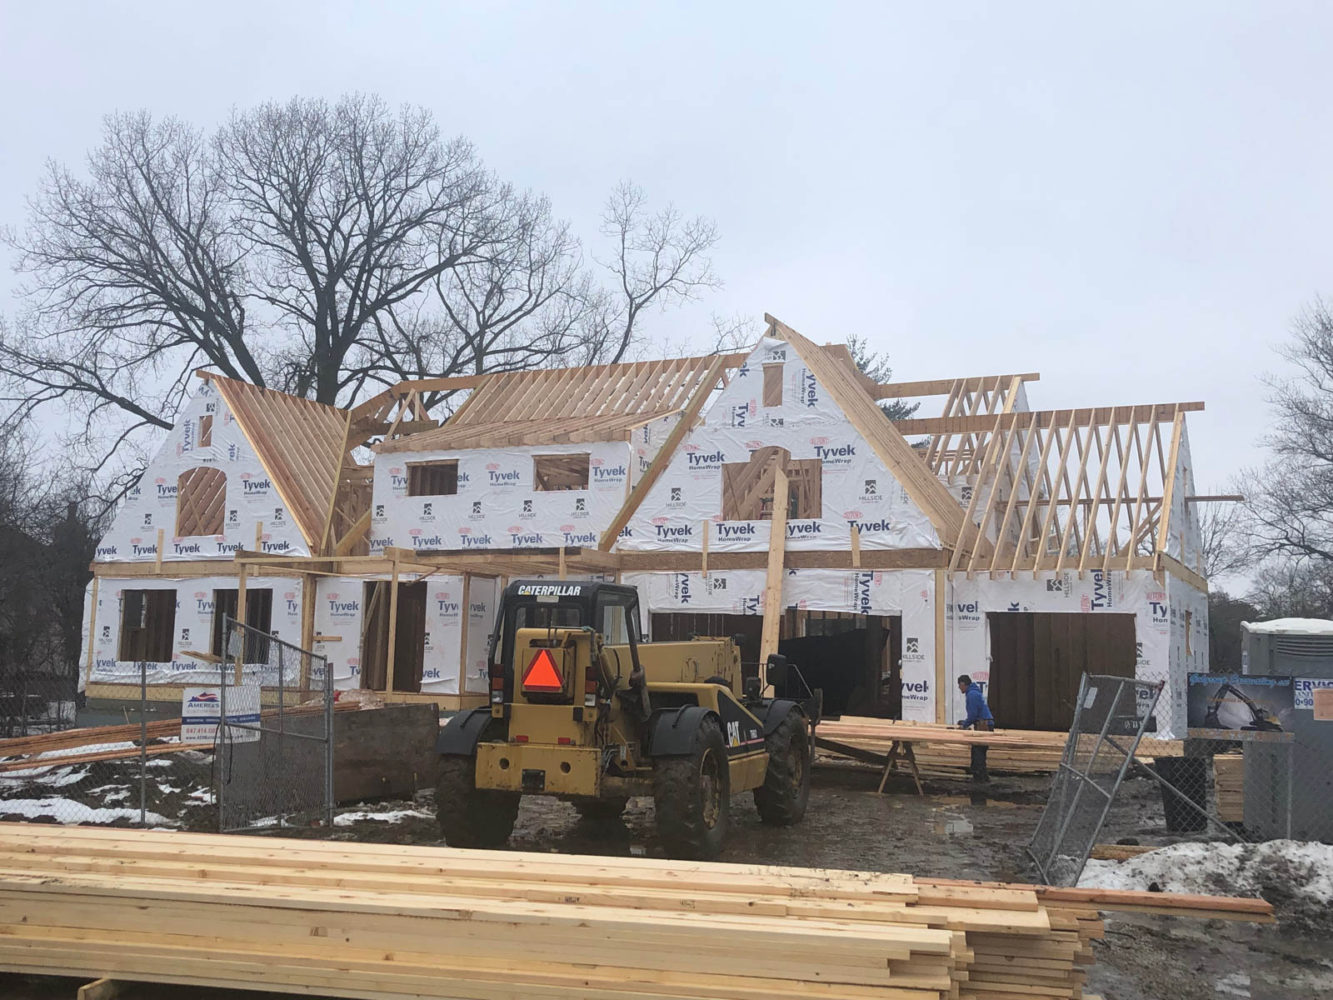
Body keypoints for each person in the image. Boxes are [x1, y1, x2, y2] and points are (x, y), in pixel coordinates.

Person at [956, 675, 994, 783]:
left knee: (978, 753)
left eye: (960, 685)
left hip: (984, 726)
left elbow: (973, 715)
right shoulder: (974, 693)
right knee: (979, 752)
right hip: (985, 724)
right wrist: (966, 723)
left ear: (963, 684)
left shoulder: (972, 695)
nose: (959, 688)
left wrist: (964, 725)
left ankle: (980, 779)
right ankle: (982, 777)